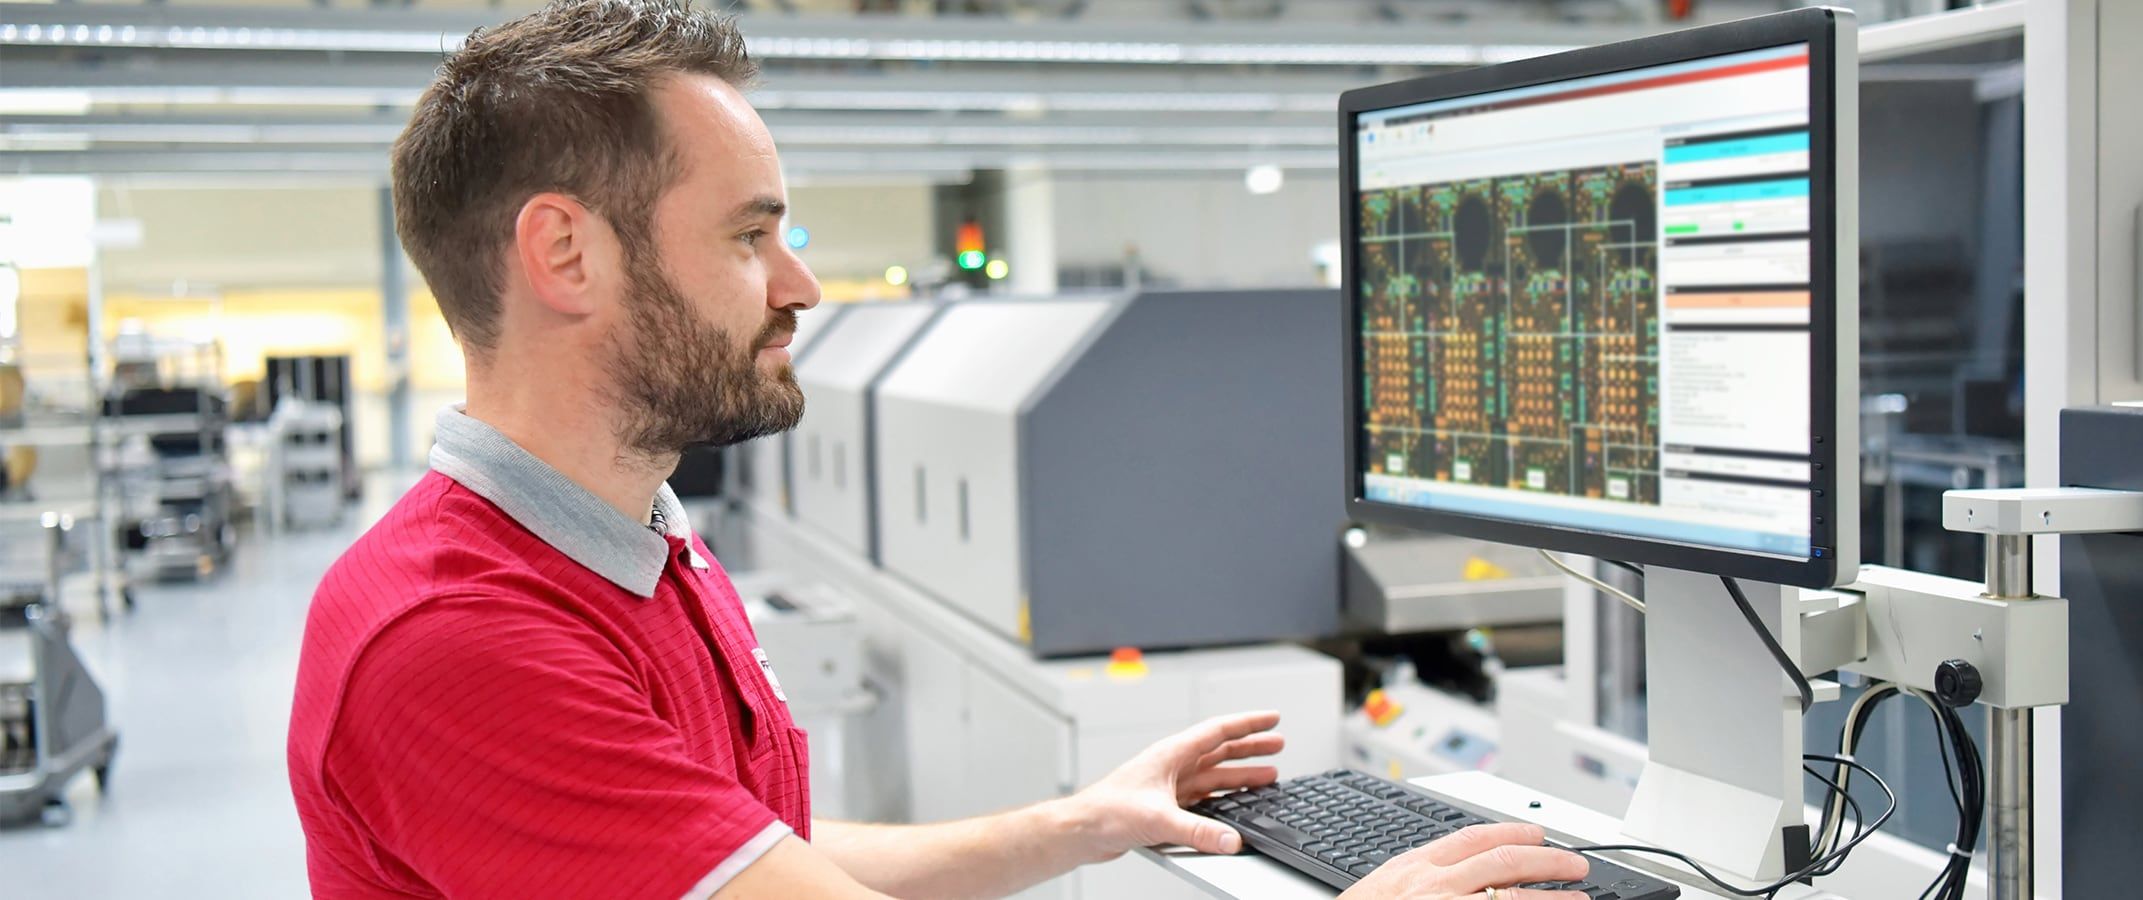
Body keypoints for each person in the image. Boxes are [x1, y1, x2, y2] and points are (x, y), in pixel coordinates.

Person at [286, 1, 1592, 897]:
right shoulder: (459, 639)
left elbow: (755, 855)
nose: (800, 285)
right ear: (565, 254)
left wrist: (1082, 823)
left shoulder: (637, 538)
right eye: (749, 236)